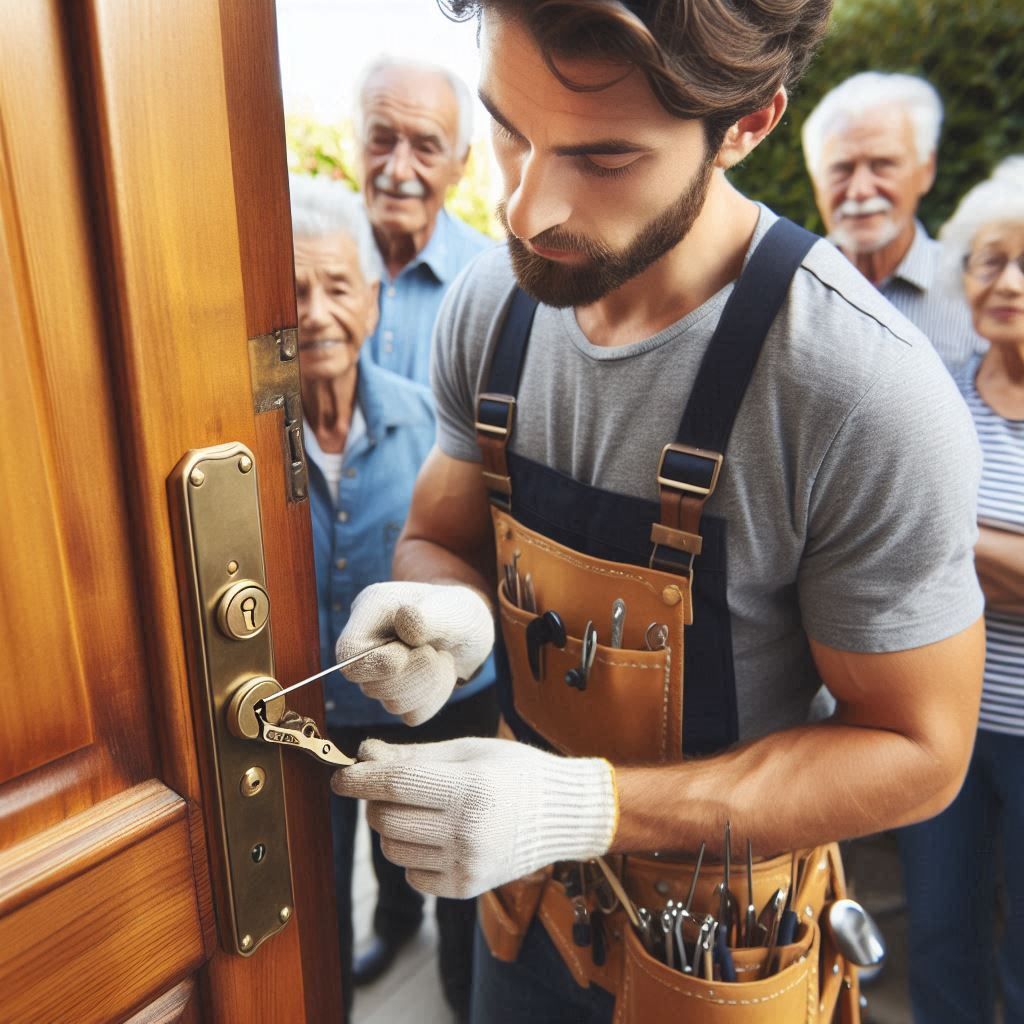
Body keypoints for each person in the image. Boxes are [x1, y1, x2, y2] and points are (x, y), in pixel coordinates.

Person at [328, 4, 986, 1022]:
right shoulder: (487, 306)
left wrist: (584, 805)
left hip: (719, 956)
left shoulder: (856, 391)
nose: (524, 208)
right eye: (509, 128)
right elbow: (438, 535)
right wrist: (443, 614)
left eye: (604, 157)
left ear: (747, 124)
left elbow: (918, 751)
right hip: (526, 913)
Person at [289, 174, 497, 1022]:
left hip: (439, 710)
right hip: (306, 720)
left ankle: (459, 1000)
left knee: (455, 891)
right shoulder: (234, 442)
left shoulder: (433, 429)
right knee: (314, 903)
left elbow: (476, 566)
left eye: (336, 286)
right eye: (292, 290)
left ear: (372, 301)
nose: (314, 311)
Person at [897, 156, 1024, 1024]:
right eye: (988, 259)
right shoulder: (935, 398)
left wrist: (950, 537)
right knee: (939, 932)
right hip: (936, 718)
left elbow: (925, 533)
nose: (1008, 281)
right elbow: (891, 539)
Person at [802, 71, 982, 371]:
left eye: (883, 165)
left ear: (926, 171)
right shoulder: (787, 289)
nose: (860, 190)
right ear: (816, 180)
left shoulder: (976, 295)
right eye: (841, 169)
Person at [356, 57, 494, 386]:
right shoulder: (306, 259)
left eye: (426, 148)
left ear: (460, 164)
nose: (398, 170)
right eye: (381, 139)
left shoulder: (492, 283)